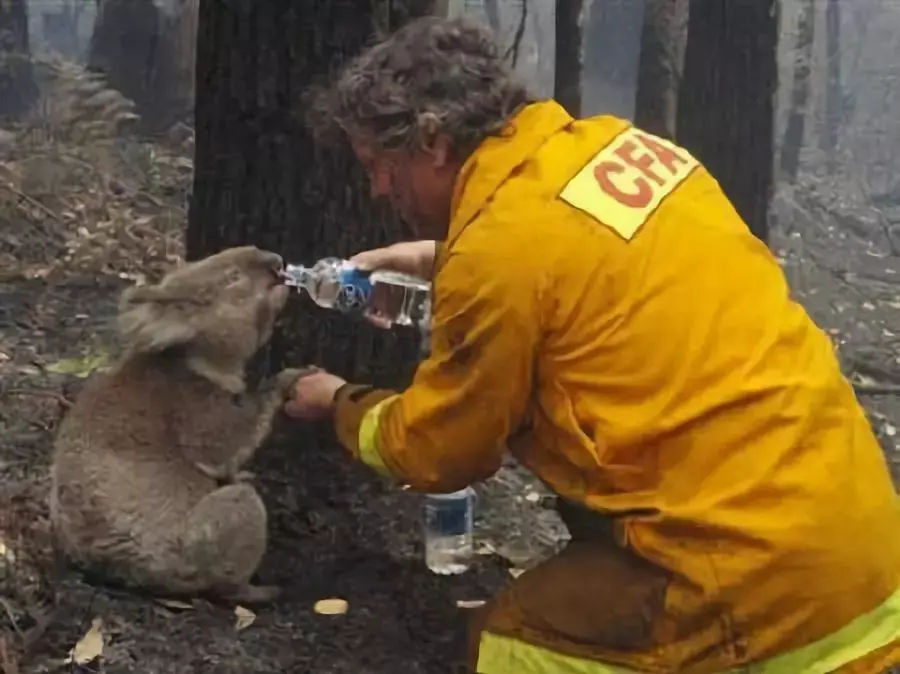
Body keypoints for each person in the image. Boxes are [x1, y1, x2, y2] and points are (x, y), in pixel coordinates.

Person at [284, 15, 900, 674]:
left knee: (508, 646)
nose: (379, 191)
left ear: (433, 142)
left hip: (756, 582)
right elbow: (574, 263)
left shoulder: (501, 253)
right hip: (864, 552)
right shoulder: (618, 148)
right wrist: (442, 258)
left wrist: (338, 402)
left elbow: (440, 451)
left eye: (381, 166)